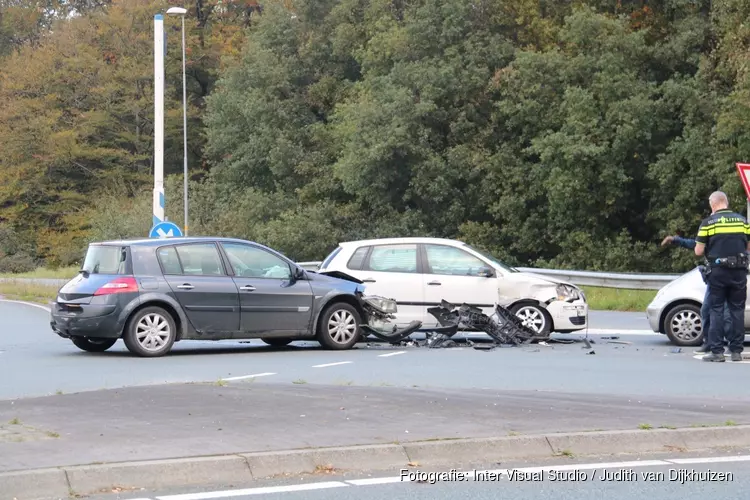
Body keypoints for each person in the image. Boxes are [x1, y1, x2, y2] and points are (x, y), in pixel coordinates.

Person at [693, 191, 750, 362]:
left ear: (712, 204)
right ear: (726, 202)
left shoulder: (708, 223)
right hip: (739, 271)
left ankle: (717, 352)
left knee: (716, 310)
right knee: (737, 311)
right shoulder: (743, 221)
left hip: (718, 272)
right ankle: (736, 352)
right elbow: (748, 247)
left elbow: (698, 251)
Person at [661, 235, 731, 354]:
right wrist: (676, 240)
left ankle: (731, 344)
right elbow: (696, 244)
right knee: (706, 311)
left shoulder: (729, 238)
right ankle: (709, 342)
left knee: (726, 313)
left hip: (728, 277)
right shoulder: (711, 236)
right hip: (713, 280)